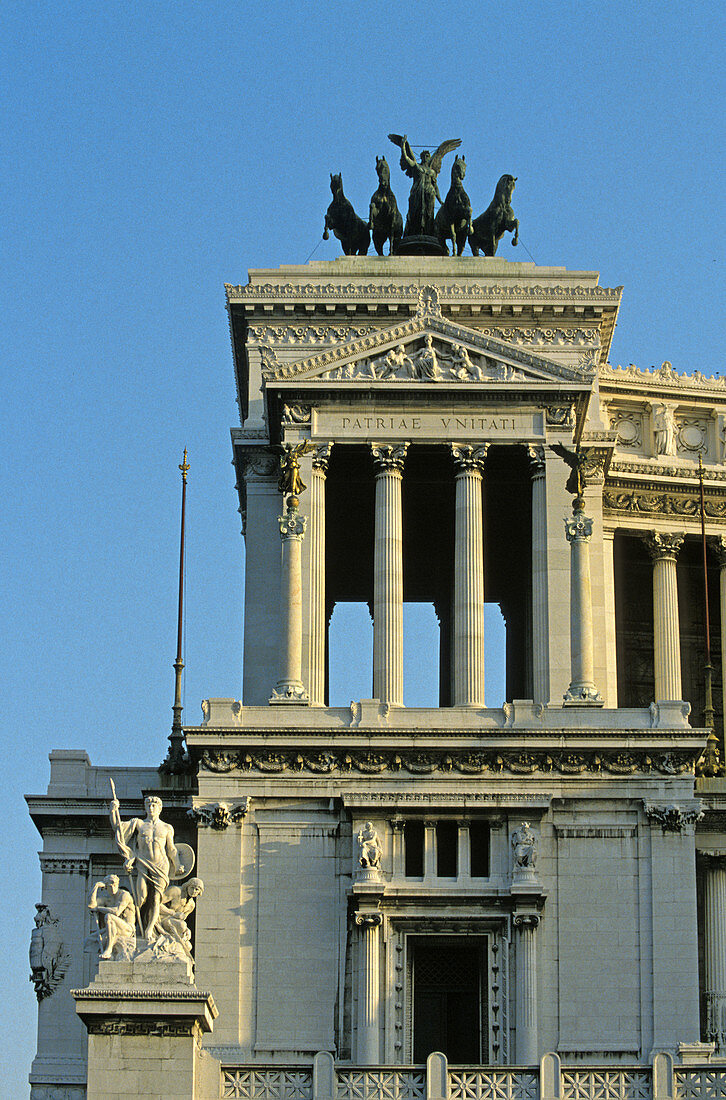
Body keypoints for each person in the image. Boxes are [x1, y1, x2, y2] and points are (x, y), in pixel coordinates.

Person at [109, 794, 179, 941]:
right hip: (143, 863)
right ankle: (135, 928)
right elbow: (118, 829)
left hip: (161, 865)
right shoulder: (139, 824)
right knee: (141, 896)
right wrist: (113, 810)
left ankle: (149, 930)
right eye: (148, 805)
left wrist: (178, 865)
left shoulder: (167, 827)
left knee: (155, 898)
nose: (151, 808)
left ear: (160, 809)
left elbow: (171, 849)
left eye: (154, 806)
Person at [88, 875, 136, 958]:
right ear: (106, 887)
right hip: (115, 929)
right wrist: (95, 886)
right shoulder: (108, 900)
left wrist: (98, 909)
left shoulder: (124, 895)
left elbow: (117, 911)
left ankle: (109, 949)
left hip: (128, 929)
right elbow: (92, 905)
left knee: (109, 916)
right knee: (88, 941)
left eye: (115, 885)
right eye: (110, 886)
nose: (113, 888)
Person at [158, 878, 205, 959]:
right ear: (187, 886)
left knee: (188, 946)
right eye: (192, 887)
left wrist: (187, 931)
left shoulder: (191, 905)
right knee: (182, 925)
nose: (194, 891)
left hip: (175, 926)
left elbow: (183, 920)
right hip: (162, 919)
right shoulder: (175, 891)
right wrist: (173, 913)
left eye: (197, 889)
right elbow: (156, 904)